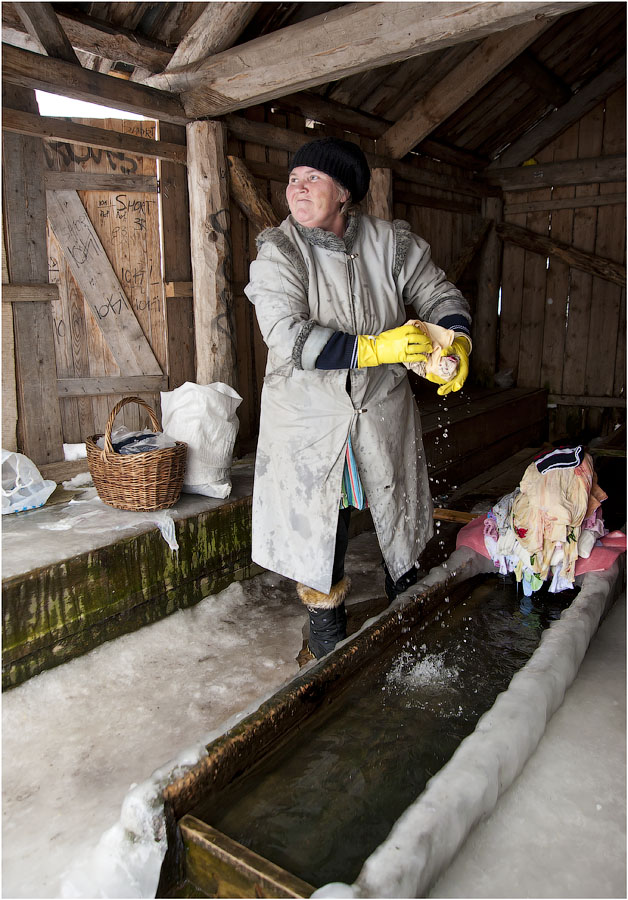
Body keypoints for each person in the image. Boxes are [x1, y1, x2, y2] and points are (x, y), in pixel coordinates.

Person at [244, 137, 471, 660]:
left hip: (380, 406)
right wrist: (378, 346)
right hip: (311, 418)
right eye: (294, 178)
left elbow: (441, 295)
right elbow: (289, 337)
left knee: (399, 512)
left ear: (344, 193)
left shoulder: (390, 244)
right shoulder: (280, 250)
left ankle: (406, 610)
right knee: (325, 528)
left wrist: (455, 340)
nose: (297, 189)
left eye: (312, 179)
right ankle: (325, 635)